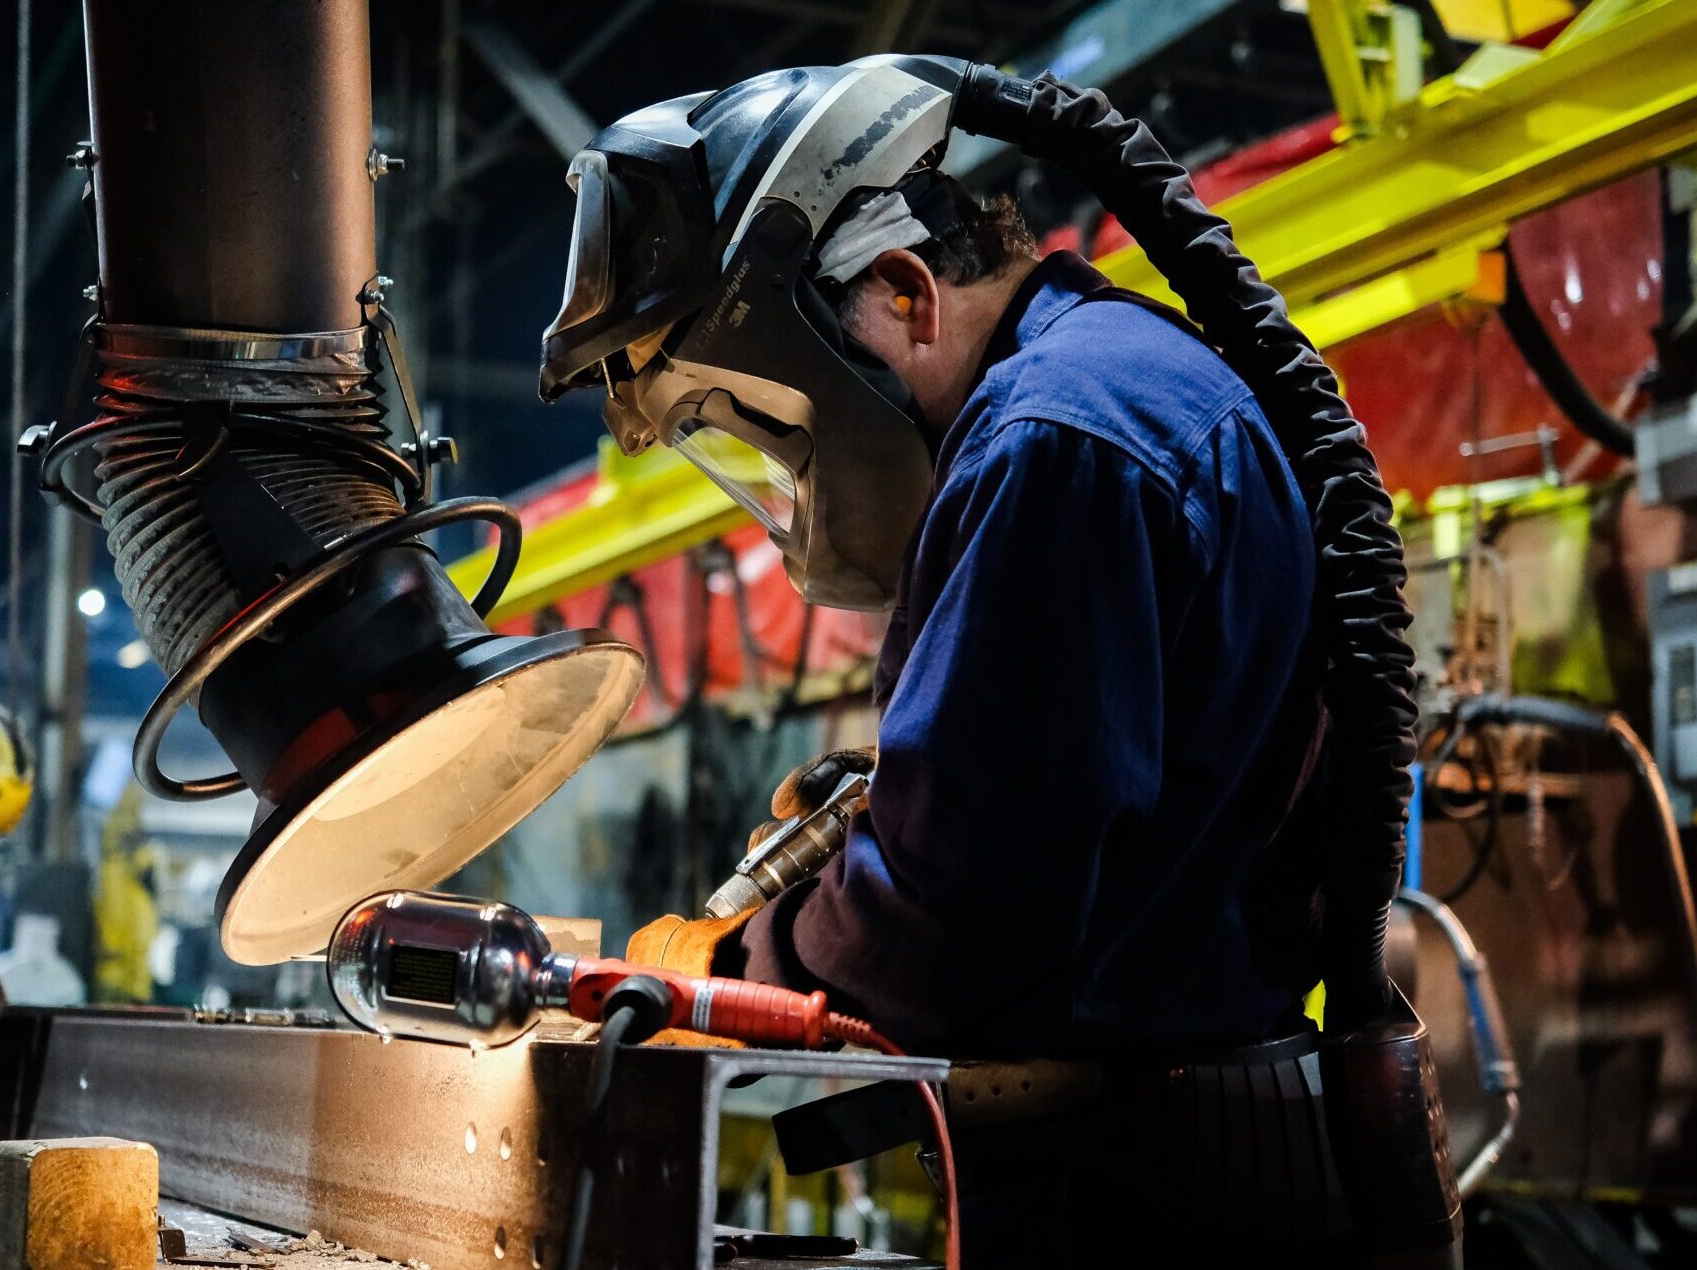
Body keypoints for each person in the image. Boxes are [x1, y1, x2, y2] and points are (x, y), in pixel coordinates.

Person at [539, 59, 1453, 1263]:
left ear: (907, 290)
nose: (789, 475)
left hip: (1155, 1204)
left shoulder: (1055, 443)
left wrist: (721, 971)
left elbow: (953, 915)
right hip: (1193, 1154)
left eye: (774, 424)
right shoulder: (1123, 383)